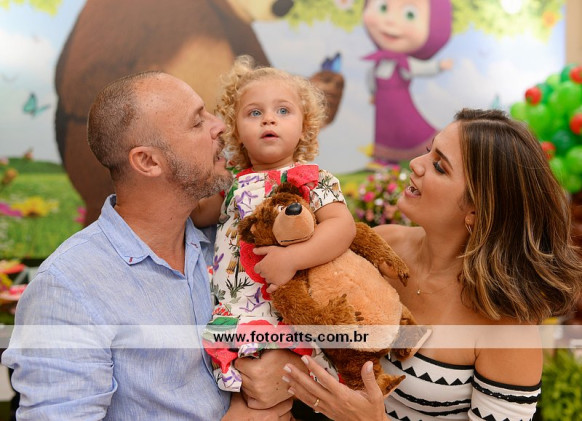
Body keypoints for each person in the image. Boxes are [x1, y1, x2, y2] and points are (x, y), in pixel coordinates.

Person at [1, 71, 291, 420]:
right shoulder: (66, 288)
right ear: (148, 161)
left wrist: (289, 365)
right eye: (198, 121)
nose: (220, 126)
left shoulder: (230, 239)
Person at [278, 108, 582, 420]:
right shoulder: (382, 246)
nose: (416, 163)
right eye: (428, 150)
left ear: (476, 211)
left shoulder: (508, 328)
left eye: (439, 166)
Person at [191, 55, 356, 396]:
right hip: (235, 308)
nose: (269, 118)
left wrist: (293, 258)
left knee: (282, 391)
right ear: (236, 131)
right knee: (241, 391)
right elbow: (199, 215)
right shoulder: (231, 183)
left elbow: (342, 226)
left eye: (283, 111)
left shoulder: (311, 177)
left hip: (284, 307)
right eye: (254, 113)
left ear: (304, 127)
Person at [363, 0, 453, 164]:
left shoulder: (403, 63)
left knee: (408, 128)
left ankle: (422, 155)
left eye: (410, 14)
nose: (390, 20)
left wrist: (439, 66)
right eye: (383, 7)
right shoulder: (379, 62)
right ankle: (385, 159)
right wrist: (372, 93)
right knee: (385, 131)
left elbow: (420, 68)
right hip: (383, 106)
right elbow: (371, 78)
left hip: (401, 105)